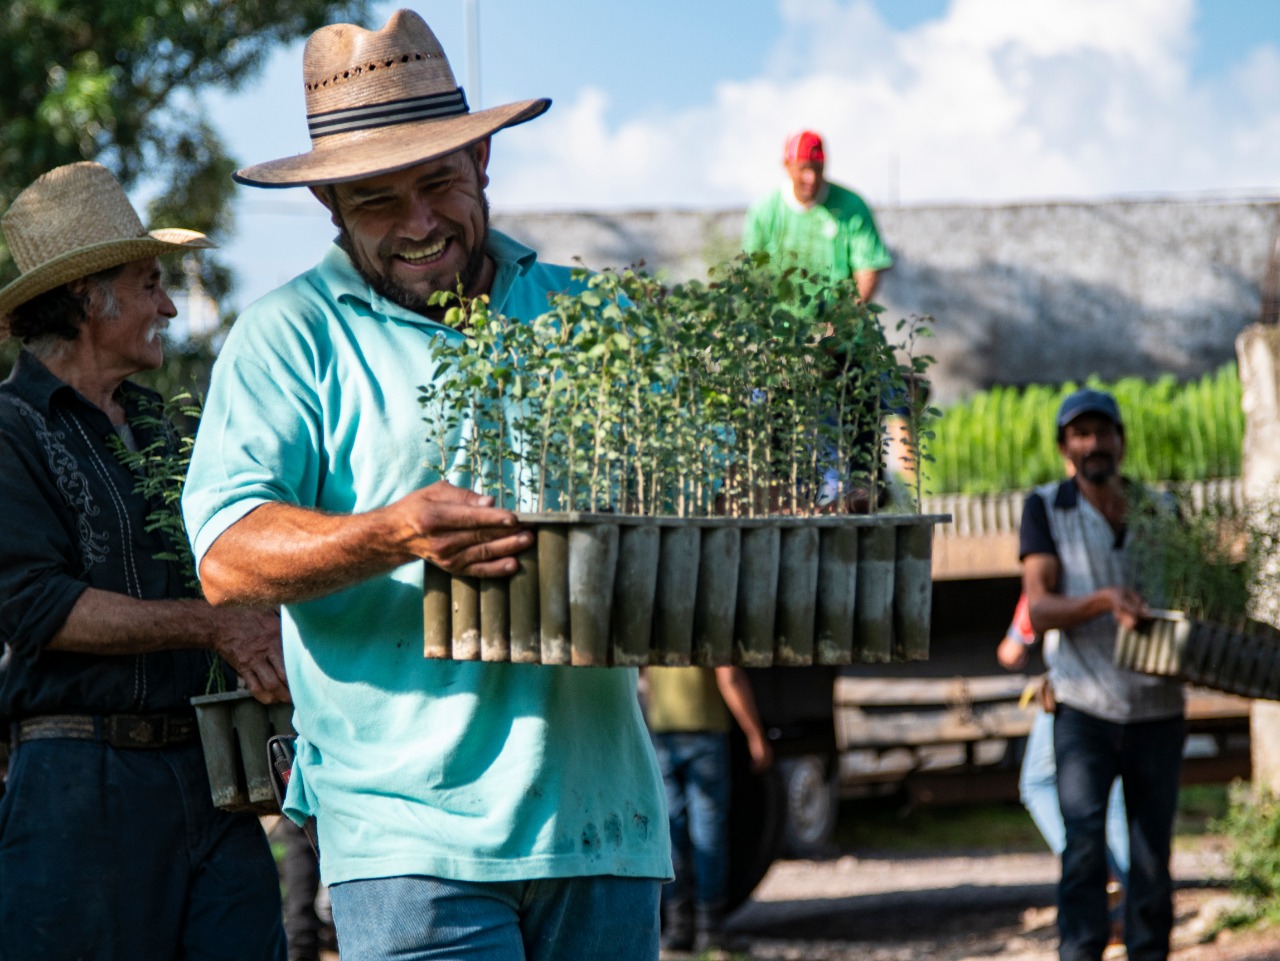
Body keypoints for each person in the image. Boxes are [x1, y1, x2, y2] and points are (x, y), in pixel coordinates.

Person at [180, 11, 670, 960]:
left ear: (483, 160)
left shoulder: (587, 314)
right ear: (328, 206)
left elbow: (712, 470)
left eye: (438, 182)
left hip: (601, 820)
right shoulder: (289, 337)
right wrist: (395, 532)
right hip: (409, 841)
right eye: (375, 199)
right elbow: (227, 554)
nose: (419, 225)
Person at [0, 161, 288, 960]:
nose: (168, 304)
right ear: (94, 297)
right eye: (151, 282)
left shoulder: (166, 430)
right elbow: (35, 606)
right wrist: (215, 625)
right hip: (76, 782)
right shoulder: (11, 429)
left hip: (211, 775)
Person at [1019, 388, 1185, 961]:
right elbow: (1038, 609)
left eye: (1103, 432)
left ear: (1121, 441)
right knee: (1083, 846)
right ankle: (1081, 952)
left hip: (1157, 707)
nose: (1094, 444)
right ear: (1065, 447)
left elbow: (1192, 595)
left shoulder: (1162, 509)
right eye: (1081, 435)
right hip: (1083, 707)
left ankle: (1148, 952)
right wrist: (1103, 600)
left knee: (1150, 854)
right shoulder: (1046, 507)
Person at [997, 594, 1129, 941]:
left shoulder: (1062, 560)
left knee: (1037, 783)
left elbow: (1012, 649)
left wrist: (1017, 635)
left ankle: (1098, 871)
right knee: (1113, 795)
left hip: (1075, 690)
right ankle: (1123, 919)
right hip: (1130, 689)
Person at [645, 666, 773, 953]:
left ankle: (678, 928)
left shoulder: (655, 620)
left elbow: (646, 675)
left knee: (671, 830)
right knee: (708, 830)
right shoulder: (707, 619)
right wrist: (755, 733)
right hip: (703, 730)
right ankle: (710, 929)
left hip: (663, 731)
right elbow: (728, 675)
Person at [742, 130, 892, 303]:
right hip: (780, 326)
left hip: (838, 322)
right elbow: (751, 272)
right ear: (787, 165)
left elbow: (867, 270)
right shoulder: (764, 211)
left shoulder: (852, 207)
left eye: (817, 169)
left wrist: (844, 317)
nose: (811, 178)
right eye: (803, 168)